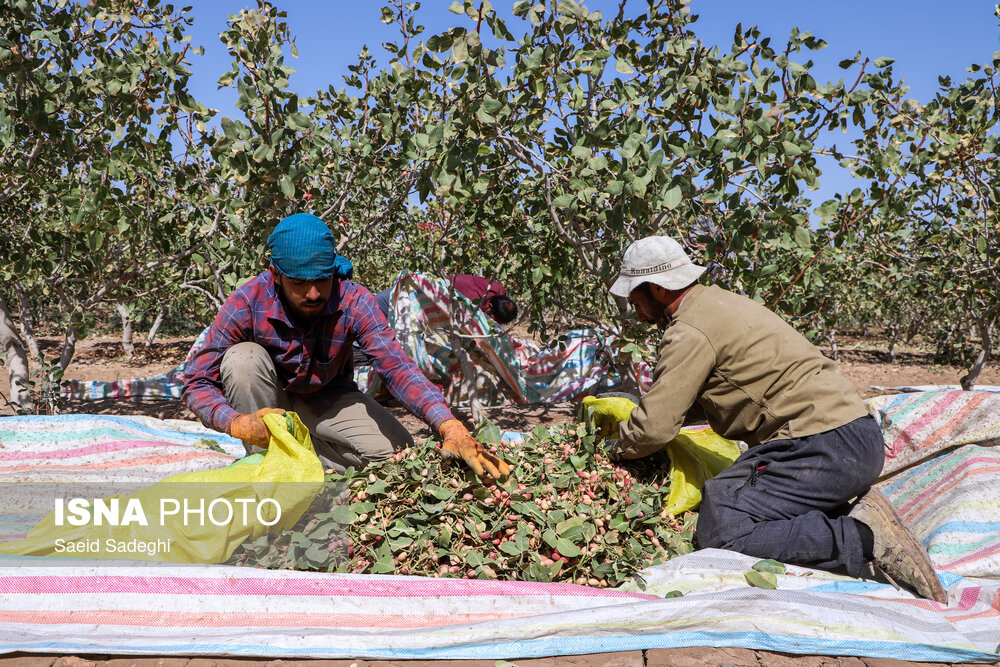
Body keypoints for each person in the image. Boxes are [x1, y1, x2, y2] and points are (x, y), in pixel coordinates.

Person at [605, 235, 946, 603]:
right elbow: (700, 400)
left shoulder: (689, 331)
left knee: (722, 524)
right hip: (853, 438)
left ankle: (861, 536)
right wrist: (647, 411)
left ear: (657, 287)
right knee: (741, 498)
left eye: (636, 301)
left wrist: (614, 451)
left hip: (819, 448)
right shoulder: (719, 303)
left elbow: (654, 429)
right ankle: (842, 518)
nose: (638, 314)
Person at [182, 213, 510, 481]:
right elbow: (196, 381)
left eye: (322, 280)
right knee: (243, 359)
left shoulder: (353, 300)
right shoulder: (246, 302)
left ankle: (302, 457)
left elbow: (397, 366)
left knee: (394, 454)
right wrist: (236, 423)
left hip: (326, 396)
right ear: (276, 276)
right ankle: (269, 467)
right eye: (299, 283)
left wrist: (448, 424)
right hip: (270, 400)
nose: (313, 294)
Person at [374, 273, 518, 325]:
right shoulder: (469, 303)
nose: (491, 323)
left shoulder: (499, 292)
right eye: (492, 318)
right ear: (489, 307)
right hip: (408, 298)